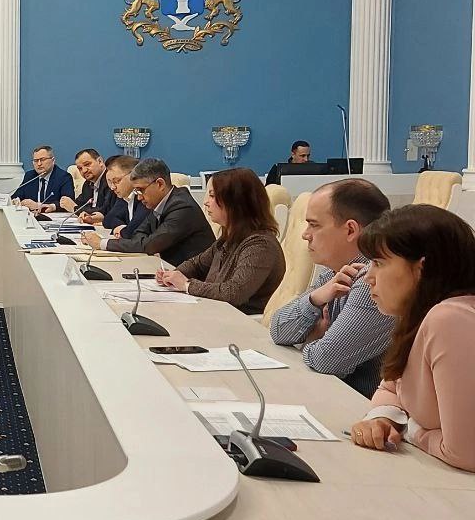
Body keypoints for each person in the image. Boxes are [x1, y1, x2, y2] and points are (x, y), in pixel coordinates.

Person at [348, 205, 475, 472]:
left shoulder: (450, 319)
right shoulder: (420, 314)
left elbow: (465, 452)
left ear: (421, 268)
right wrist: (382, 419)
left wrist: (410, 429)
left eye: (379, 263)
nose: (368, 277)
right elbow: (391, 388)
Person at [269, 178, 393, 397]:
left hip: (358, 406)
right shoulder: (335, 274)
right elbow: (278, 330)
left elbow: (326, 360)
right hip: (331, 394)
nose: (305, 234)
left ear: (350, 230)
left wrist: (309, 340)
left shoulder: (371, 282)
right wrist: (314, 299)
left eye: (314, 225)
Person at [155, 168, 285, 314]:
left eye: (212, 196)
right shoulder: (229, 238)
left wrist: (186, 285)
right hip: (215, 313)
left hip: (240, 321)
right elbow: (197, 264)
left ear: (235, 202)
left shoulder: (260, 246)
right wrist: (173, 275)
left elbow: (234, 293)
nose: (206, 202)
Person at [80, 158, 215, 267]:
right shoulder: (160, 203)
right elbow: (139, 233)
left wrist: (102, 243)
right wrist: (143, 243)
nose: (139, 197)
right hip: (169, 270)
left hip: (195, 278)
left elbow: (149, 245)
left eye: (141, 190)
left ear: (160, 184)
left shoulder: (181, 207)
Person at [11, 145, 75, 215]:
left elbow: (68, 202)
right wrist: (17, 201)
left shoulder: (64, 177)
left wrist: (40, 205)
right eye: (36, 161)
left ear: (53, 160)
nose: (39, 164)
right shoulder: (29, 176)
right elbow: (16, 196)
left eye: (42, 160)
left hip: (53, 217)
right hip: (31, 216)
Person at [97, 155, 149, 237]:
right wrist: (122, 227)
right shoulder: (124, 196)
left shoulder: (144, 196)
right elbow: (108, 219)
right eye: (110, 182)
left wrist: (123, 231)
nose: (112, 187)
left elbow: (135, 230)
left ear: (133, 176)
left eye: (116, 181)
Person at [74, 148, 117, 222]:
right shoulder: (87, 184)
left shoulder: (110, 181)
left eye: (87, 164)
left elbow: (104, 210)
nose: (84, 170)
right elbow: (79, 203)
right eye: (80, 168)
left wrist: (74, 208)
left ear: (100, 161)